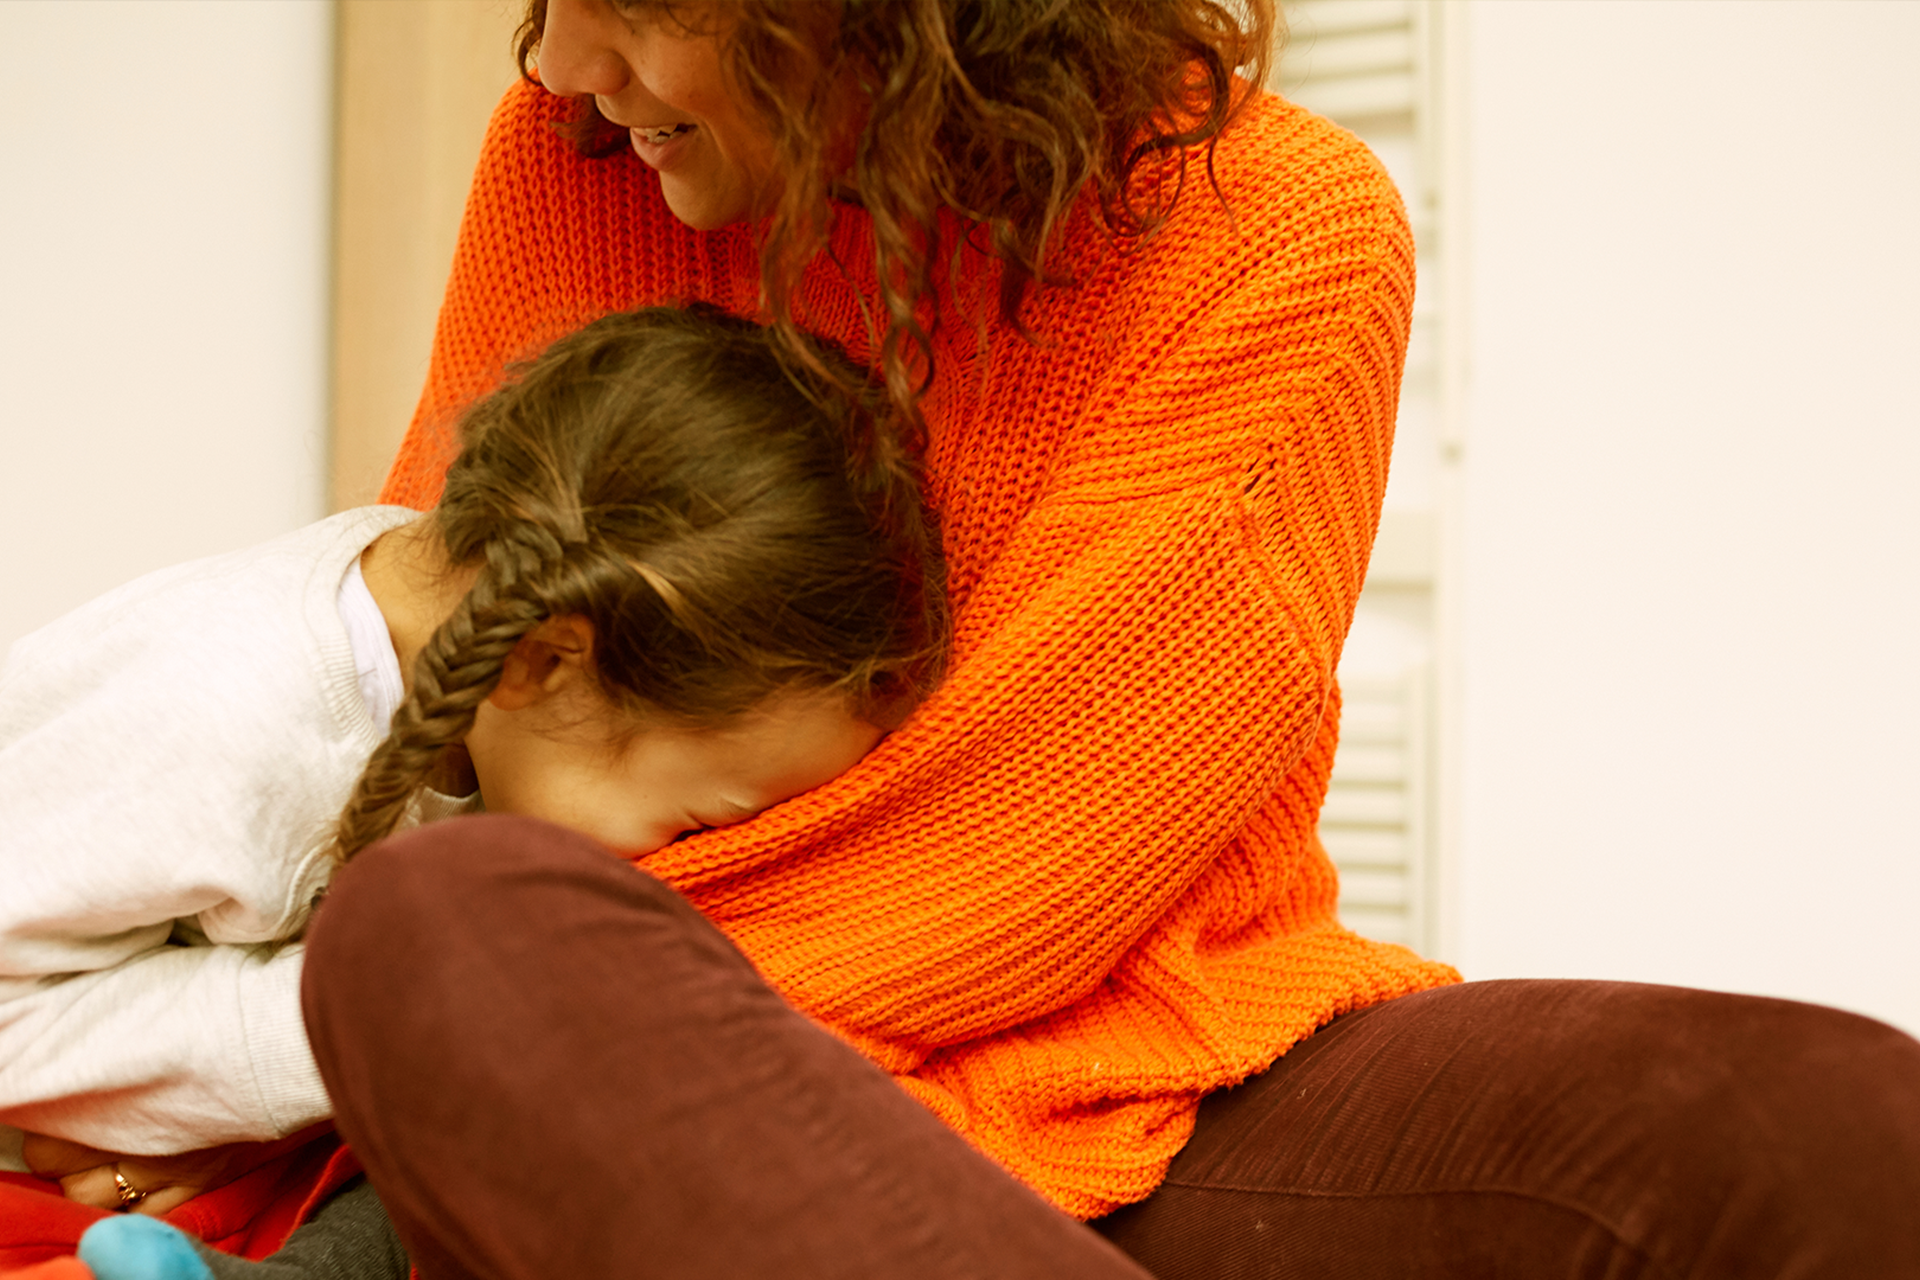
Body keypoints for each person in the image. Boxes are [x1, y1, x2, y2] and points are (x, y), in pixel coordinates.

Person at [16, 1, 1920, 1277]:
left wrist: (372, 1034)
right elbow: (490, 704)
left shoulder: (1285, 239)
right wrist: (354, 1035)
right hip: (670, 1080)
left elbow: (1008, 878)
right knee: (447, 927)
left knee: (1832, 1129)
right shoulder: (568, 151)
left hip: (1125, 1072)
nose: (570, 51)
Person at [0, 305, 944, 1277]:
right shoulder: (224, 710)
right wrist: (353, 1026)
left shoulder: (477, 664)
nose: (682, 862)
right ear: (543, 663)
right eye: (698, 817)